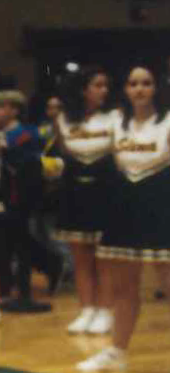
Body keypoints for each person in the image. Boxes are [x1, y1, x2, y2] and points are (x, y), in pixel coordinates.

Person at [83, 67, 166, 371]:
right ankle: (117, 351)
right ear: (126, 90)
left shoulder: (167, 122)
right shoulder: (116, 123)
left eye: (146, 83)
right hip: (125, 211)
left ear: (157, 88)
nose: (140, 89)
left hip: (161, 209)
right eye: (133, 83)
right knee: (124, 287)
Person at [53, 67, 121, 335]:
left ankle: (105, 311)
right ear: (83, 89)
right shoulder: (64, 120)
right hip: (74, 191)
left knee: (104, 256)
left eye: (106, 85)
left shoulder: (116, 118)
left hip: (105, 190)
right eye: (97, 85)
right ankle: (86, 310)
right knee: (80, 256)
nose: (103, 90)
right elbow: (61, 152)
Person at [0, 90, 59, 313]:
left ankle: (27, 287)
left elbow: (28, 163)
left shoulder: (27, 133)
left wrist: (5, 149)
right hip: (0, 196)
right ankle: (7, 288)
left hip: (22, 197)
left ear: (14, 110)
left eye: (0, 107)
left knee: (20, 242)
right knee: (5, 242)